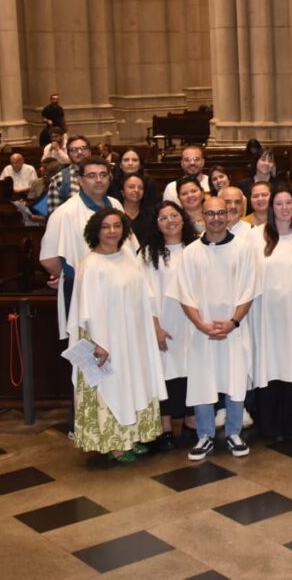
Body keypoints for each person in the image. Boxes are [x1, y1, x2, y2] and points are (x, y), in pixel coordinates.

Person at [67, 208, 165, 462]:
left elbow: (144, 294)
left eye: (117, 226)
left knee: (133, 383)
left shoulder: (127, 256)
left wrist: (152, 326)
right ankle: (115, 444)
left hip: (133, 336)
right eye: (106, 227)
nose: (112, 231)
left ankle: (132, 437)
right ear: (95, 231)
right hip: (106, 339)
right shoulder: (91, 265)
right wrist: (99, 342)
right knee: (113, 385)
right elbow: (87, 309)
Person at [177, 196, 257, 461]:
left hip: (233, 329)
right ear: (202, 216)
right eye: (210, 214)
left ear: (229, 215)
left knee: (235, 379)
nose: (216, 218)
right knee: (203, 381)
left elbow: (249, 289)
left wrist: (233, 322)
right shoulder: (190, 252)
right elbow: (184, 294)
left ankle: (234, 432)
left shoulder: (244, 249)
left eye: (221, 212)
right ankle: (205, 435)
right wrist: (201, 324)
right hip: (202, 331)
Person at [249, 187, 292, 443]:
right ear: (270, 206)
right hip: (266, 316)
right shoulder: (256, 236)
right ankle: (270, 425)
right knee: (270, 366)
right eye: (279, 203)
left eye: (289, 203)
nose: (284, 208)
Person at [40, 157, 125, 340]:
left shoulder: (116, 205)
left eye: (103, 175)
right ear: (80, 180)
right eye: (92, 175)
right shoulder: (65, 213)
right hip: (84, 294)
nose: (99, 180)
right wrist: (70, 276)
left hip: (118, 289)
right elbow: (48, 258)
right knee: (89, 351)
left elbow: (128, 247)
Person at [141, 201, 195, 449]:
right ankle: (165, 429)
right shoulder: (148, 253)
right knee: (165, 374)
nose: (170, 221)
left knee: (191, 374)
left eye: (174, 215)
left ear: (183, 219)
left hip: (193, 324)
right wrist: (155, 326)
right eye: (163, 218)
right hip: (163, 322)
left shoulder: (196, 248)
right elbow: (145, 294)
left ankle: (191, 423)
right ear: (157, 224)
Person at [43, 134, 92, 214]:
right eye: (74, 149)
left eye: (83, 148)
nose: (79, 152)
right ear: (68, 154)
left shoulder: (104, 176)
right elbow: (55, 216)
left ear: (90, 152)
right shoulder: (59, 179)